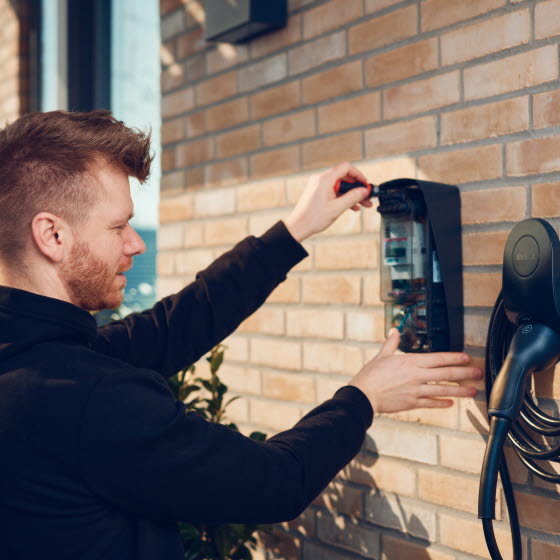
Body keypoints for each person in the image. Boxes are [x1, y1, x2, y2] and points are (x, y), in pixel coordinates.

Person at [0, 111, 481, 560]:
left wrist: (295, 230)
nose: (136, 243)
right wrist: (365, 397)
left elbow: (172, 328)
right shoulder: (85, 396)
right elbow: (276, 483)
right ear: (53, 236)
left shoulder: (35, 357)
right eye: (118, 226)